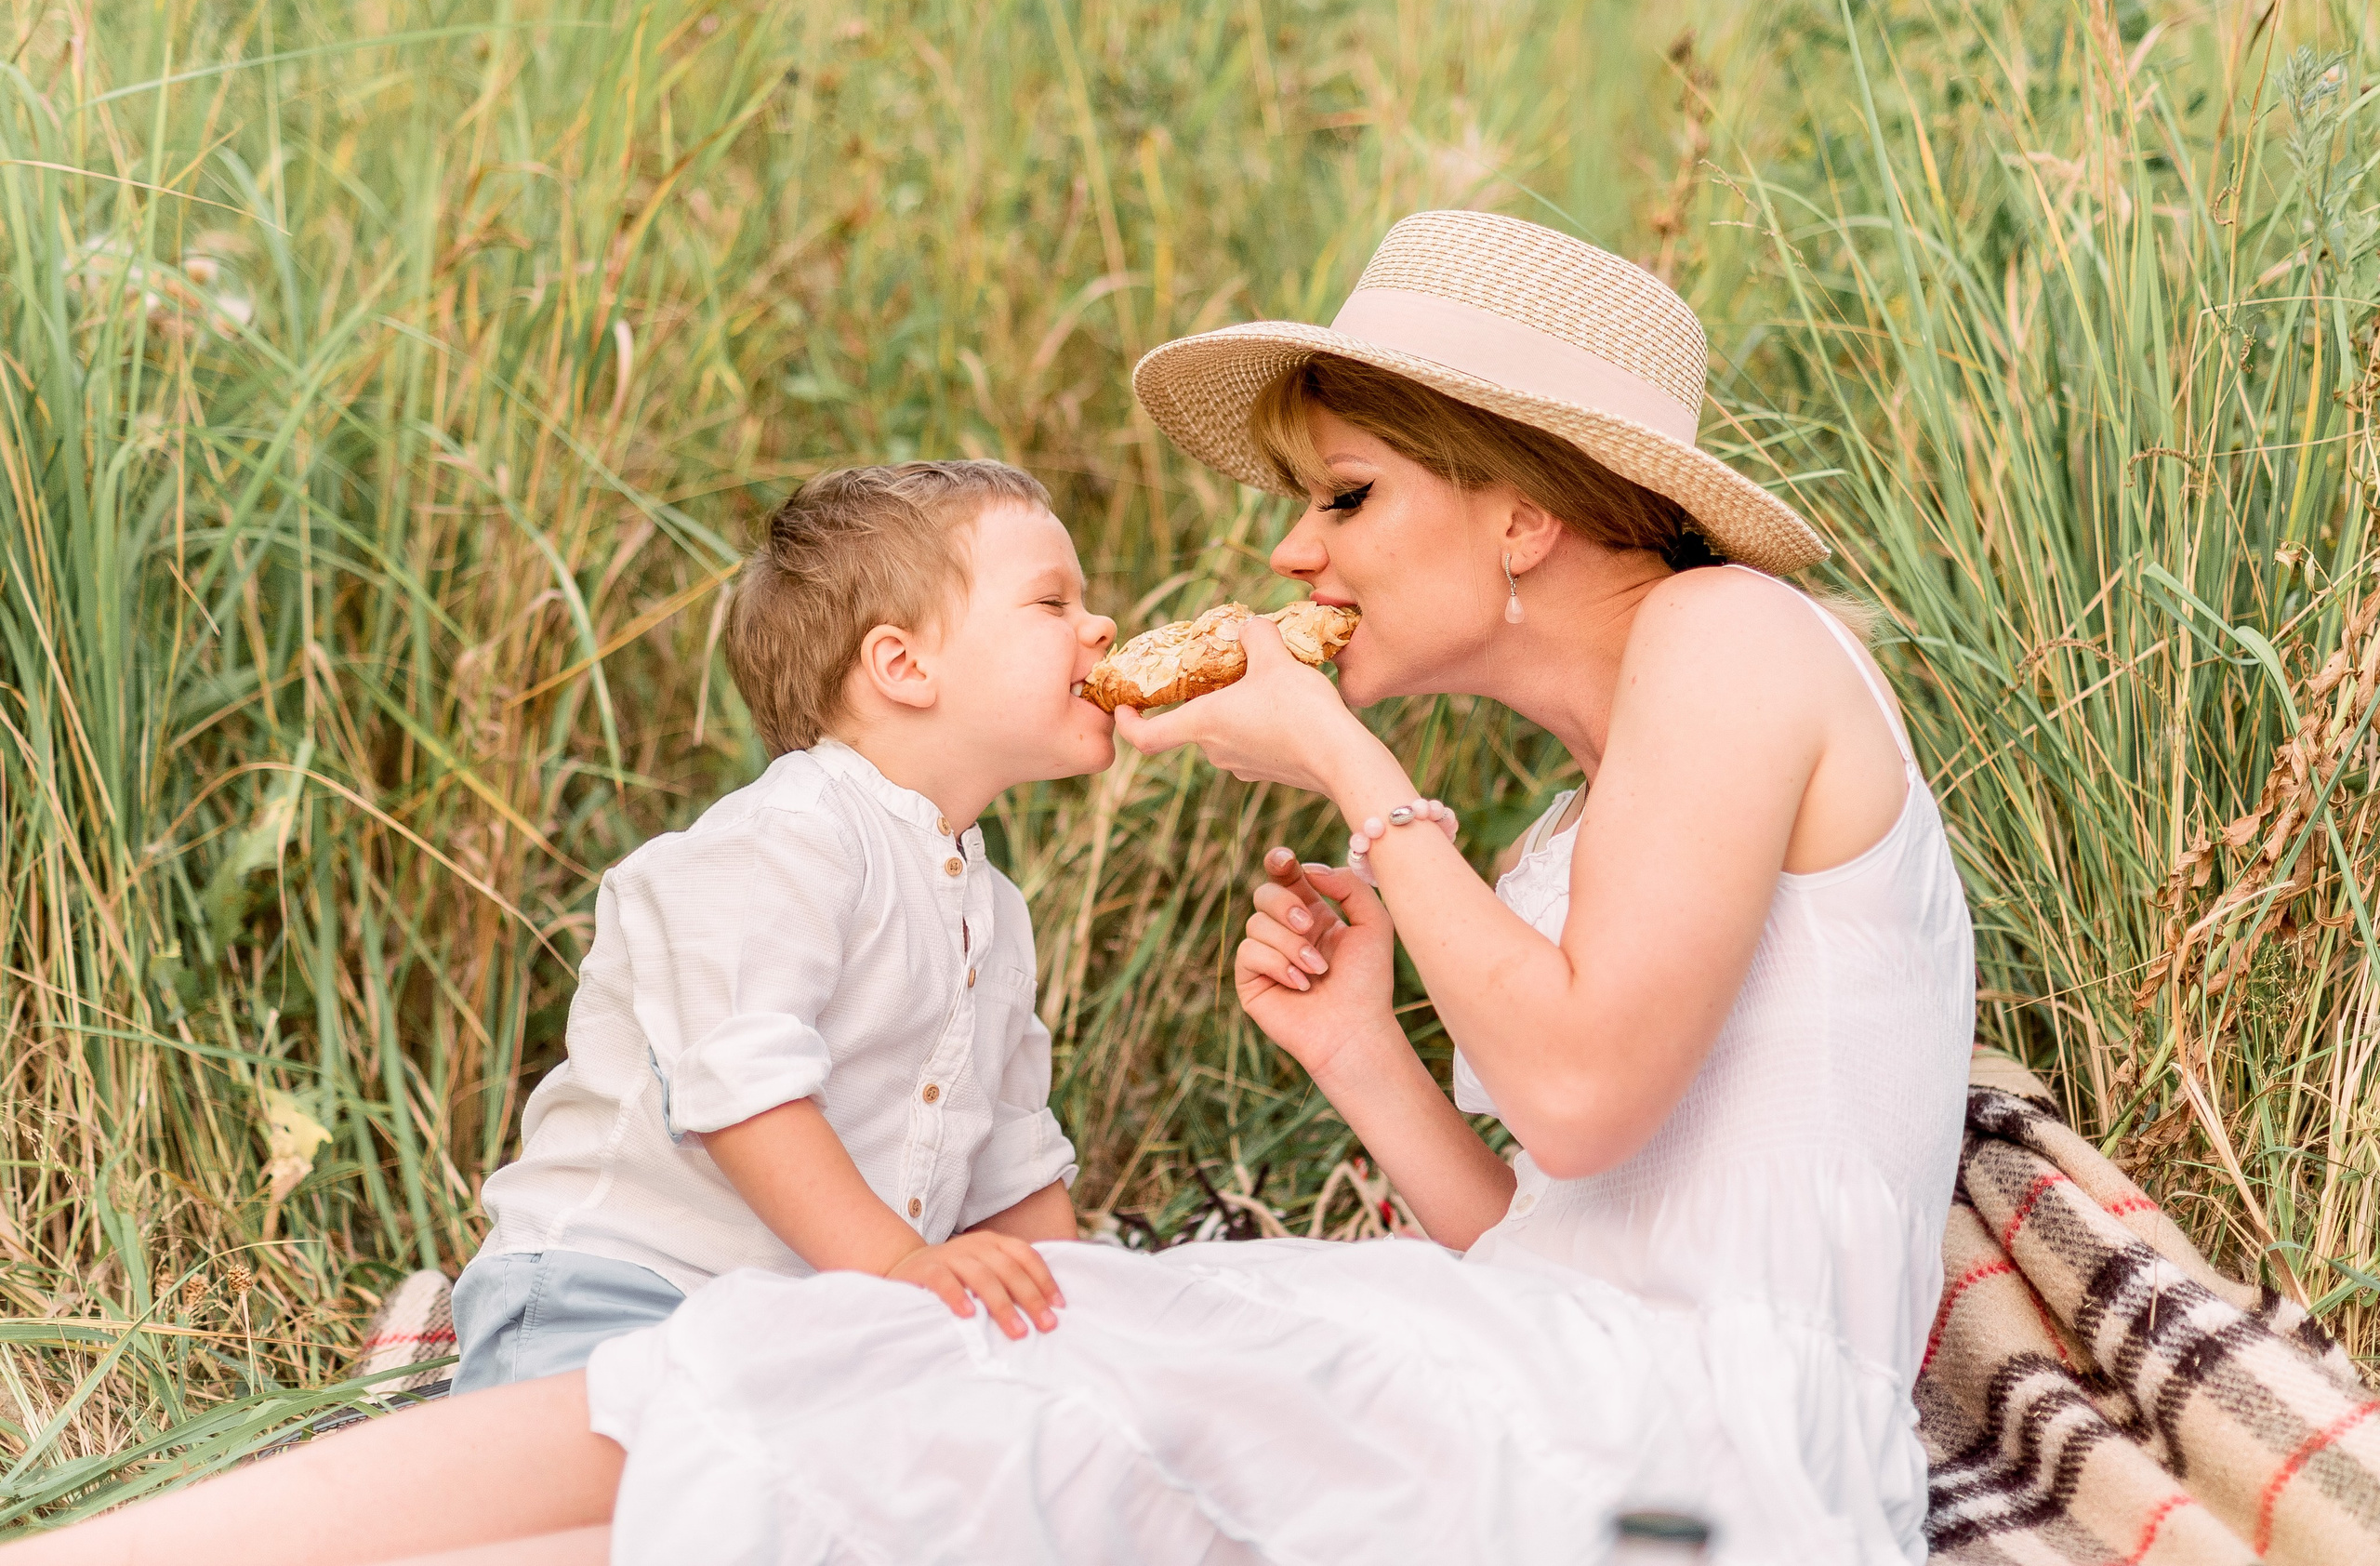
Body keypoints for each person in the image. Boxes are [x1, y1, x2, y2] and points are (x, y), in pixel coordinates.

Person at [4, 211, 1973, 1566]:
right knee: (930, 1401)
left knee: (933, 1360)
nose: (1293, 554)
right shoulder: (1591, 790)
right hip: (1571, 1360)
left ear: (1524, 504)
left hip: (1696, 1435)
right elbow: (1566, 1227)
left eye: (1346, 492)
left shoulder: (1731, 640)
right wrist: (1364, 1053)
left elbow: (1587, 1092)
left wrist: (1361, 778)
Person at [445, 459, 1114, 1390]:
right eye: (1053, 602)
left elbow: (1006, 1156)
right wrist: (898, 1266)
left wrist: (1080, 1331)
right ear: (903, 664)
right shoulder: (784, 840)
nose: (1102, 626)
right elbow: (746, 1090)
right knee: (610, 1493)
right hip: (621, 1290)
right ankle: (450, 1392)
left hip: (814, 1320)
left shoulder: (989, 904)